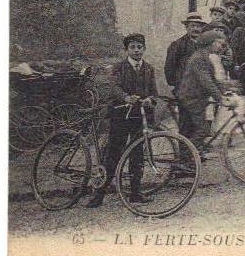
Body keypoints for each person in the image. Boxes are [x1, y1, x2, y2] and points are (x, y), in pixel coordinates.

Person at [86, 33, 157, 208]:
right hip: (121, 115)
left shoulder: (148, 69)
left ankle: (135, 193)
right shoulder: (119, 68)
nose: (136, 51)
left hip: (140, 116)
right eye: (132, 47)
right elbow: (114, 88)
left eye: (139, 47)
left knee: (137, 155)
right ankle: (99, 195)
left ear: (144, 49)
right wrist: (126, 98)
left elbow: (154, 92)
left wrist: (150, 100)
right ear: (126, 50)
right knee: (113, 154)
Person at [177, 30, 228, 156]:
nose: (221, 46)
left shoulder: (205, 57)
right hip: (191, 98)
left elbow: (213, 80)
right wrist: (220, 98)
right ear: (210, 43)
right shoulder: (199, 58)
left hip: (197, 98)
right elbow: (206, 81)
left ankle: (189, 158)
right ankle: (187, 157)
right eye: (219, 43)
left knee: (192, 130)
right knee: (203, 130)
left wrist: (225, 92)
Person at [164, 12, 207, 97]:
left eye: (198, 26)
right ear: (186, 28)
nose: (196, 29)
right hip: (184, 88)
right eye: (192, 26)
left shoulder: (204, 45)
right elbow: (169, 67)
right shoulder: (177, 45)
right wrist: (178, 84)